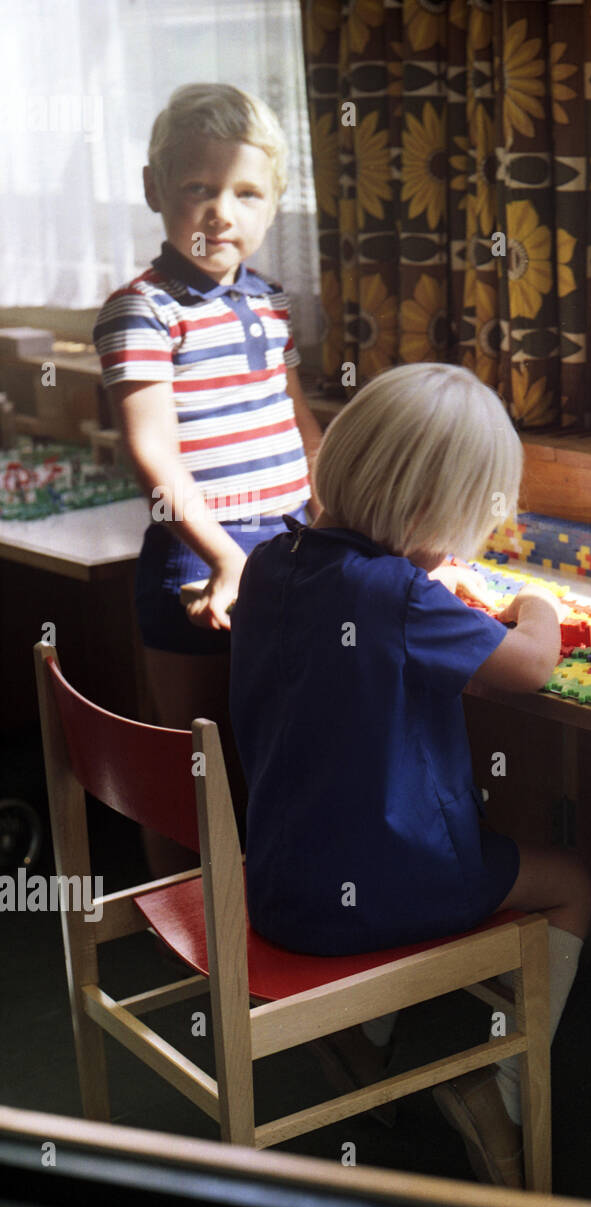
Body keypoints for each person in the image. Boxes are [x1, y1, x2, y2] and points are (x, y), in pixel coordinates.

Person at [229, 363, 591, 1188]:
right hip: (388, 891)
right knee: (571, 879)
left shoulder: (268, 562)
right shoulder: (397, 596)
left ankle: (364, 1040)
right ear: (437, 516)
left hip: (273, 886)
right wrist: (536, 604)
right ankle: (494, 1091)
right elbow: (533, 666)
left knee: (378, 831)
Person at [93, 84, 320, 873]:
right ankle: (191, 944)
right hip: (200, 554)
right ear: (155, 189)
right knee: (194, 763)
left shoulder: (268, 301)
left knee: (279, 749)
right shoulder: (143, 311)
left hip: (289, 545)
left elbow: (299, 423)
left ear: (273, 207)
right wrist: (224, 556)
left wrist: (334, 516)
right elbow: (153, 455)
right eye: (198, 188)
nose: (222, 211)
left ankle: (272, 930)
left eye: (246, 192)